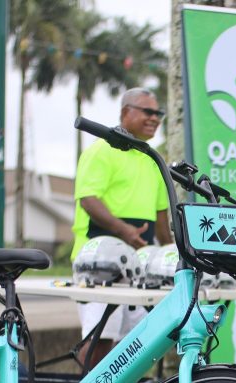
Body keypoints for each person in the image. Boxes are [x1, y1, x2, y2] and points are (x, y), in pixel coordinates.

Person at [71, 87, 172, 367]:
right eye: (147, 111)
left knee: (136, 344)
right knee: (100, 341)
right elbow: (89, 200)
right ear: (125, 112)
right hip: (97, 266)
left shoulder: (153, 160)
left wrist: (176, 258)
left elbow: (163, 225)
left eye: (159, 113)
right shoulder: (101, 150)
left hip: (139, 270)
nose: (155, 118)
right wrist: (124, 231)